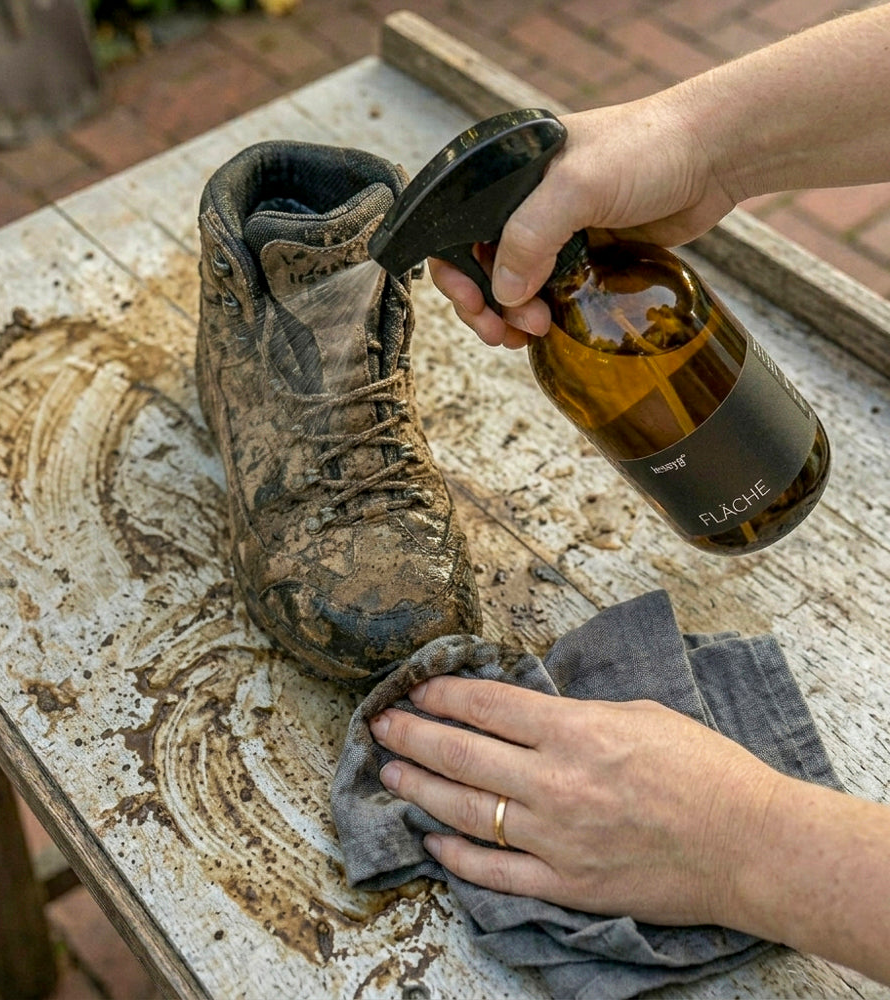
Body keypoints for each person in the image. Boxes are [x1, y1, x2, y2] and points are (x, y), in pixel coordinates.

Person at [367, 2, 890, 986]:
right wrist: (699, 139)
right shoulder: (605, 300)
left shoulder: (644, 300)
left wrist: (755, 847)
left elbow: (758, 850)